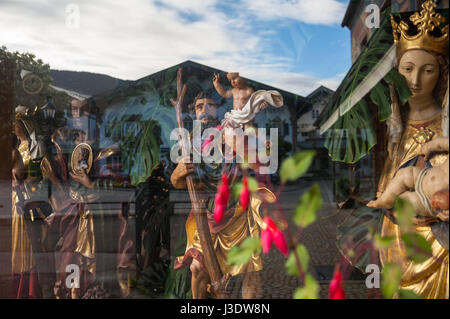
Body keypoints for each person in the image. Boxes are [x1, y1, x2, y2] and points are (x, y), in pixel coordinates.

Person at [171, 91, 275, 299]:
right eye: (200, 107)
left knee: (249, 271)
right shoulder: (189, 143)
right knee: (197, 268)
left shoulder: (231, 133)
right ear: (194, 112)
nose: (205, 111)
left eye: (210, 106)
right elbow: (176, 182)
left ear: (218, 109)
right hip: (206, 215)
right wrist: (179, 172)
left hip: (237, 213)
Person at [376, 0, 449, 298]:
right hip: (397, 239)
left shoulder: (445, 131)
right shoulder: (395, 130)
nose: (416, 80)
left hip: (440, 245)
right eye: (407, 69)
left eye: (427, 70)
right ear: (397, 72)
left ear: (442, 73)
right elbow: (386, 191)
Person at [367, 137, 448, 215]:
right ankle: (385, 200)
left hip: (427, 201)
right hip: (424, 176)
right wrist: (429, 147)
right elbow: (439, 143)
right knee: (405, 174)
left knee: (410, 201)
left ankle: (393, 203)